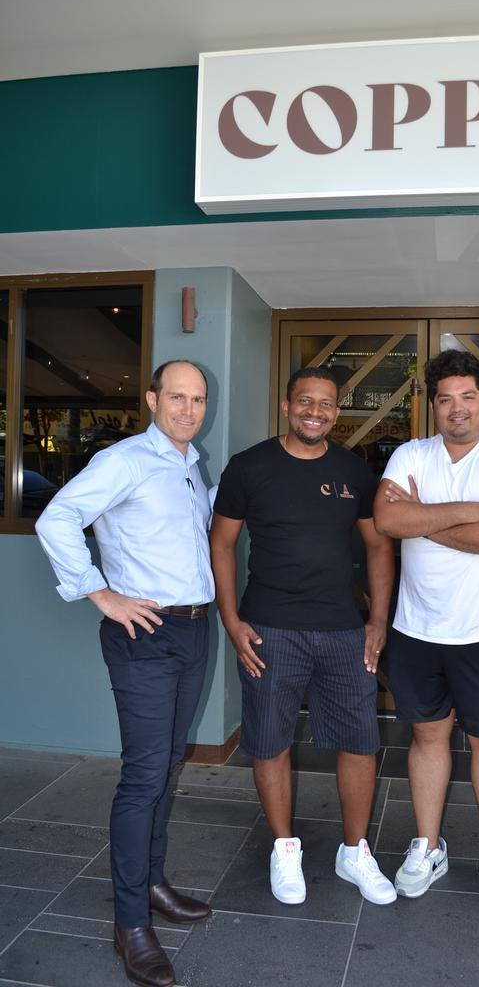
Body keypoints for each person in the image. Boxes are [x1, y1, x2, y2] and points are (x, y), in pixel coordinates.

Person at [36, 360, 214, 987]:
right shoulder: (126, 460)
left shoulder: (191, 466)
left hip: (194, 629)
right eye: (177, 397)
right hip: (145, 633)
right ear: (151, 399)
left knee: (167, 765)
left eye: (198, 399)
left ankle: (154, 882)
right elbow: (55, 517)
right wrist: (100, 594)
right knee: (143, 776)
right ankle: (131, 923)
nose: (188, 409)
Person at [210, 366, 396, 907]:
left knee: (359, 742)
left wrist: (378, 621)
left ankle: (354, 851)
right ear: (287, 405)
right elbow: (221, 545)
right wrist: (231, 619)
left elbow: (380, 548)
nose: (316, 412)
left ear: (338, 412)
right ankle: (284, 847)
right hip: (268, 627)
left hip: (343, 631)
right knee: (269, 740)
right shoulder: (249, 467)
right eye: (305, 402)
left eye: (327, 404)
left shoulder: (355, 472)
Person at [373, 349, 479, 916]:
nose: (457, 408)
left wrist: (429, 520)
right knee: (426, 738)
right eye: (446, 398)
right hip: (418, 627)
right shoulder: (410, 453)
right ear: (433, 407)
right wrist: (469, 510)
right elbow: (389, 521)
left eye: (468, 396)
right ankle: (429, 844)